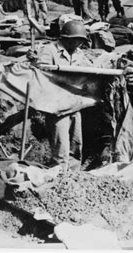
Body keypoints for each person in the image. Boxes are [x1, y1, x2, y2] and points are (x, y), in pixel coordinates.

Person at [34, 21, 93, 170]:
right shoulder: (49, 50)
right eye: (77, 40)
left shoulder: (79, 54)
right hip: (57, 106)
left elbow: (91, 70)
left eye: (81, 41)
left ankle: (73, 177)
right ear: (67, 38)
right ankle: (58, 177)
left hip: (74, 104)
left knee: (76, 144)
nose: (79, 44)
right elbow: (42, 72)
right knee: (61, 147)